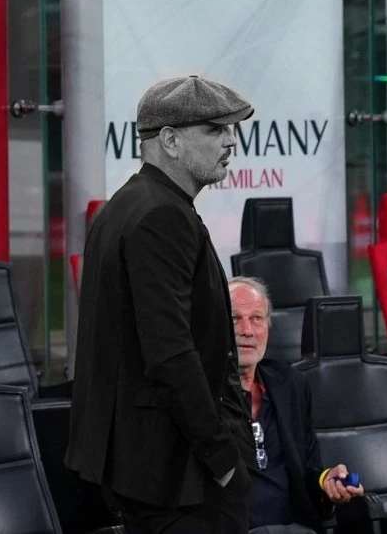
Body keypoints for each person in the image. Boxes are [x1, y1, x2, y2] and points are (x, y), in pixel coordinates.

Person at [65, 75, 257, 534]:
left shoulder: (129, 205)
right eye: (214, 129)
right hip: (178, 478)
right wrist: (222, 458)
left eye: (230, 129)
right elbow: (169, 353)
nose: (230, 141)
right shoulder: (161, 215)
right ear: (170, 141)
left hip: (155, 472)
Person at [228, 276, 364, 534]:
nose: (247, 330)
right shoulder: (200, 393)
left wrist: (326, 481)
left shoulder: (290, 384)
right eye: (235, 319)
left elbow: (309, 470)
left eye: (257, 318)